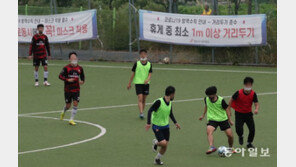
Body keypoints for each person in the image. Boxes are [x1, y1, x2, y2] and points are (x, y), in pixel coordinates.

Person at [145, 86, 181, 165]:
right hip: (157, 126)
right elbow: (150, 110)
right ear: (171, 94)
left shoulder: (170, 102)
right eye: (174, 94)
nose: (174, 96)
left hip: (166, 126)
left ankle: (157, 159)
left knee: (165, 146)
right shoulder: (159, 102)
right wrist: (148, 123)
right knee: (163, 143)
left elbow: (170, 113)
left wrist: (176, 123)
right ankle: (156, 142)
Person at [199, 86, 235, 154]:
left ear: (215, 94)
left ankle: (230, 148)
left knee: (230, 135)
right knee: (209, 131)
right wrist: (203, 115)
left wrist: (229, 120)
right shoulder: (206, 99)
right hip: (212, 119)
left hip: (223, 119)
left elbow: (227, 109)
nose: (209, 96)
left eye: (210, 95)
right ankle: (211, 147)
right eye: (208, 95)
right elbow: (206, 105)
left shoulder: (221, 100)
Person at [228, 77, 259, 148]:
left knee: (252, 129)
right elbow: (231, 100)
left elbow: (256, 103)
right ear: (244, 85)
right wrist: (229, 110)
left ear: (251, 85)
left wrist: (256, 109)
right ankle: (240, 136)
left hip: (248, 114)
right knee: (238, 129)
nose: (248, 86)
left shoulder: (253, 94)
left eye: (250, 84)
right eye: (247, 84)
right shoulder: (238, 93)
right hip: (239, 114)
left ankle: (249, 143)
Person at [59, 52, 85, 126]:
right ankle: (63, 111)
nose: (74, 59)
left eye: (75, 57)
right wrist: (67, 80)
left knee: (76, 103)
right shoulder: (66, 68)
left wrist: (82, 81)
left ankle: (71, 119)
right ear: (69, 59)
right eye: (72, 58)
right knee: (68, 105)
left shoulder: (80, 68)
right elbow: (60, 76)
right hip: (68, 90)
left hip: (76, 90)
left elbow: (82, 77)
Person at [127, 49, 152, 119]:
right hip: (138, 83)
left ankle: (142, 112)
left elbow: (150, 74)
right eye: (141, 54)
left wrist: (147, 79)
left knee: (144, 100)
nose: (143, 55)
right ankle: (141, 113)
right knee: (140, 98)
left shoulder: (149, 64)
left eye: (144, 54)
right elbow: (133, 74)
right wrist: (129, 83)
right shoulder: (136, 64)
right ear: (140, 55)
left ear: (146, 55)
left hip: (146, 84)